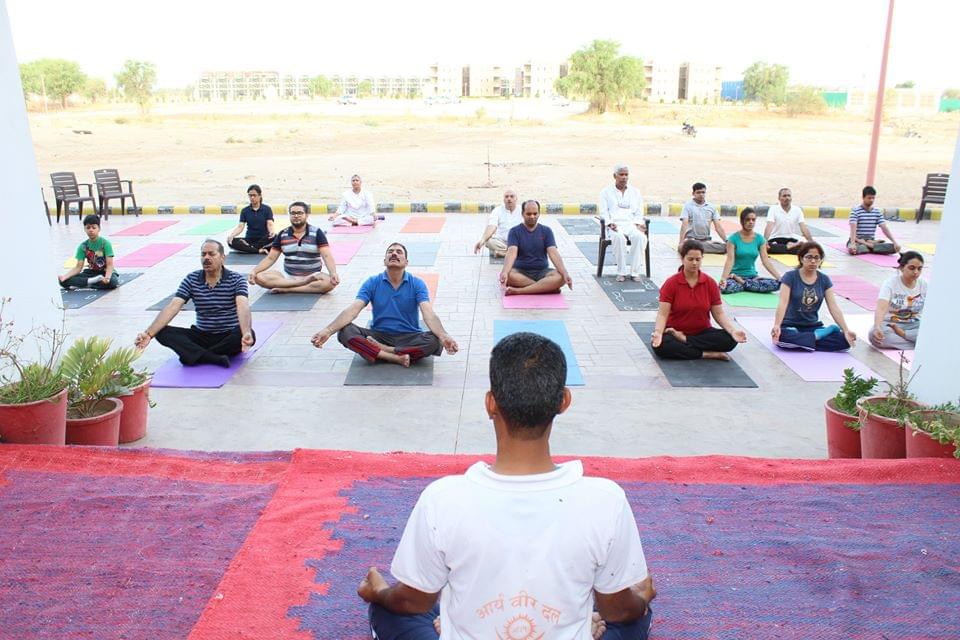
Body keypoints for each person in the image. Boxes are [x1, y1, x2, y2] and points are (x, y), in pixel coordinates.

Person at [357, 332, 656, 640]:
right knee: (628, 610)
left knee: (397, 604)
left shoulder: (442, 499)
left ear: (490, 404)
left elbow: (411, 601)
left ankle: (449, 617)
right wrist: (642, 597)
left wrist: (379, 592)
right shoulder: (606, 500)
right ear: (564, 401)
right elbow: (618, 610)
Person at [310, 243, 458, 367]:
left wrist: (444, 336)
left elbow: (428, 314)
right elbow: (353, 310)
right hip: (378, 335)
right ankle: (395, 357)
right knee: (344, 331)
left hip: (409, 337)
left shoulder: (417, 284)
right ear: (384, 260)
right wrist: (328, 330)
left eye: (399, 252)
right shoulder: (372, 282)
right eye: (390, 252)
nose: (394, 254)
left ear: (406, 262)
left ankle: (382, 352)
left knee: (433, 341)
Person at [134, 240, 255, 367]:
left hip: (227, 335)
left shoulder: (237, 279)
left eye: (211, 254)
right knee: (161, 332)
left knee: (247, 333)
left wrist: (246, 332)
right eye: (203, 254)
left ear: (222, 257)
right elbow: (173, 306)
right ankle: (212, 357)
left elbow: (243, 306)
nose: (206, 258)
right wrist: (148, 334)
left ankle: (196, 355)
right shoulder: (191, 279)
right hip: (201, 336)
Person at [651, 239, 747, 361]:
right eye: (690, 259)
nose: (694, 263)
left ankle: (685, 341)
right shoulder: (671, 283)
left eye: (698, 259)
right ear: (682, 258)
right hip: (674, 331)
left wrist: (733, 331)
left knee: (730, 340)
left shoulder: (710, 283)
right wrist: (658, 332)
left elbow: (719, 313)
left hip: (702, 332)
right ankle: (706, 354)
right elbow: (662, 314)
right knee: (662, 346)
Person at [771, 241, 856, 352]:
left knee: (844, 341)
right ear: (801, 259)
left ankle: (808, 341)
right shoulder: (790, 277)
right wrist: (777, 325)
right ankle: (816, 338)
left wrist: (846, 330)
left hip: (812, 326)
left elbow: (833, 307)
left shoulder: (824, 279)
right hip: (790, 326)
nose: (813, 261)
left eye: (817, 258)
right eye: (809, 257)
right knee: (781, 338)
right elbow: (783, 303)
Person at [249, 201, 340, 294]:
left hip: (312, 276)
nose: (296, 216)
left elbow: (327, 256)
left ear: (307, 215)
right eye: (293, 213)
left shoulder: (317, 233)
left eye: (300, 213)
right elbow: (271, 258)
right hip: (288, 276)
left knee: (330, 283)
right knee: (258, 277)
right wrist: (254, 271)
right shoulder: (282, 234)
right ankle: (301, 284)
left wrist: (333, 273)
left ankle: (289, 289)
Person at [500, 200, 573, 295]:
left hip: (542, 272)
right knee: (509, 276)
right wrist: (505, 272)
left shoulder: (546, 231)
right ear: (522, 214)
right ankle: (545, 288)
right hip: (520, 272)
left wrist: (565, 273)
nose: (532, 217)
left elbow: (553, 254)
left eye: (535, 214)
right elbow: (511, 254)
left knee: (560, 278)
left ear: (539, 214)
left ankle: (519, 291)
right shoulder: (514, 231)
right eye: (529, 214)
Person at [598, 164, 648, 282]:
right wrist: (610, 224)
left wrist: (638, 224)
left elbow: (639, 212)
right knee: (619, 237)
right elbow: (603, 212)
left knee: (640, 237)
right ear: (614, 176)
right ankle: (621, 272)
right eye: (621, 174)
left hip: (631, 224)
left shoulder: (635, 192)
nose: (624, 177)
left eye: (626, 175)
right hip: (615, 225)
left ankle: (635, 272)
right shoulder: (605, 192)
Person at [870, 250, 926, 350]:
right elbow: (881, 308)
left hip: (914, 325)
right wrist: (877, 327)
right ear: (901, 268)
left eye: (919, 269)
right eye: (912, 268)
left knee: (933, 332)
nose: (916, 272)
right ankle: (919, 345)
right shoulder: (890, 283)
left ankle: (906, 336)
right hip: (891, 325)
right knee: (874, 336)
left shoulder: (924, 285)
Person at [719, 207, 781, 294]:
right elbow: (730, 260)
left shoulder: (760, 239)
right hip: (734, 276)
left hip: (752, 277)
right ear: (742, 221)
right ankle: (749, 285)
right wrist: (723, 278)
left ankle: (743, 283)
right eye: (748, 219)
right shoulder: (733, 239)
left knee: (777, 284)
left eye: (753, 220)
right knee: (725, 287)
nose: (751, 222)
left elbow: (766, 261)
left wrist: (779, 278)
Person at [58, 214, 119, 290]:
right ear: (85, 229)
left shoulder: (105, 244)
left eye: (94, 227)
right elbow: (78, 267)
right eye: (88, 228)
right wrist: (64, 277)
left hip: (105, 272)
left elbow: (110, 265)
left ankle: (86, 284)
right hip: (91, 273)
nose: (91, 230)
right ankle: (92, 282)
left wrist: (107, 278)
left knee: (113, 282)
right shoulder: (83, 246)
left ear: (99, 228)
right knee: (63, 282)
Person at [847, 186, 901, 255]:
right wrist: (853, 243)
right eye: (869, 198)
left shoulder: (877, 212)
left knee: (894, 248)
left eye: (873, 198)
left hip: (870, 241)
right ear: (863, 198)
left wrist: (895, 242)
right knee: (853, 250)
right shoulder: (855, 211)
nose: (871, 200)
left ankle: (868, 245)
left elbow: (884, 228)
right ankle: (872, 247)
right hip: (856, 240)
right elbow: (853, 227)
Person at [678, 182, 727, 254]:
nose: (701, 194)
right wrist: (681, 242)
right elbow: (684, 225)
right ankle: (700, 247)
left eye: (703, 192)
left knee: (726, 247)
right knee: (685, 247)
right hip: (691, 240)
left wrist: (727, 241)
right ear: (693, 193)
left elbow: (718, 227)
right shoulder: (688, 206)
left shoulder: (711, 207)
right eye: (698, 192)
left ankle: (701, 247)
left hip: (706, 240)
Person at [227, 184, 275, 254]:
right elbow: (240, 227)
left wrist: (272, 232)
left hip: (263, 239)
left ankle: (250, 248)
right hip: (249, 239)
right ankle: (258, 250)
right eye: (250, 195)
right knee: (231, 242)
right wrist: (232, 235)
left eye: (254, 195)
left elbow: (270, 224)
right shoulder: (245, 210)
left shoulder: (267, 209)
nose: (252, 197)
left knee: (275, 237)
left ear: (260, 196)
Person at [473, 189, 521, 258]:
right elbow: (492, 226)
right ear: (503, 199)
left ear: (516, 199)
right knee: (488, 241)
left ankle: (505, 254)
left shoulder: (522, 209)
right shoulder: (497, 210)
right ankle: (515, 253)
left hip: (518, 242)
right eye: (506, 197)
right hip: (502, 242)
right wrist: (482, 241)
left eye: (512, 196)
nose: (509, 199)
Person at [763, 188, 812, 254]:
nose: (787, 198)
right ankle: (790, 247)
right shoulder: (773, 209)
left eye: (789, 196)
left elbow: (803, 228)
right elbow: (769, 226)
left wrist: (811, 242)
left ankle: (789, 247)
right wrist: (764, 241)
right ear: (779, 198)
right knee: (768, 248)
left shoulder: (797, 210)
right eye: (784, 196)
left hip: (791, 239)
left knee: (806, 249)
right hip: (776, 239)